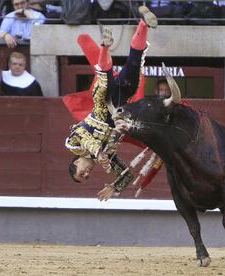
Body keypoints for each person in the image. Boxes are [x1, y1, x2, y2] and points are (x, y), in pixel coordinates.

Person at [65, 5, 158, 200]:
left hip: (103, 102)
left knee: (104, 77)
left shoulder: (72, 145)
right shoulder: (108, 158)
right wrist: (115, 188)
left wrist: (99, 153)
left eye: (82, 173)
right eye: (87, 178)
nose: (88, 173)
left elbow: (82, 133)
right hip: (122, 99)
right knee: (135, 61)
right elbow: (127, 174)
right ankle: (143, 23)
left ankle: (105, 46)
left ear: (76, 163)